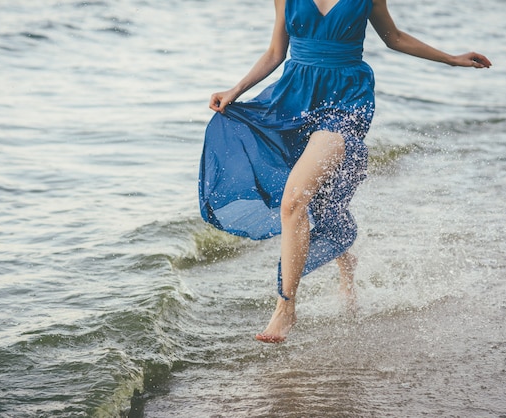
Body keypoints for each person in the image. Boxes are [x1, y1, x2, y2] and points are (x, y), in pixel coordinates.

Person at [198, 0, 491, 343]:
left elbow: (393, 37)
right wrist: (235, 90)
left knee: (293, 202)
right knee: (319, 199)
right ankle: (344, 258)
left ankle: (285, 308)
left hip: (346, 100)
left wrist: (451, 58)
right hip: (293, 98)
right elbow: (276, 52)